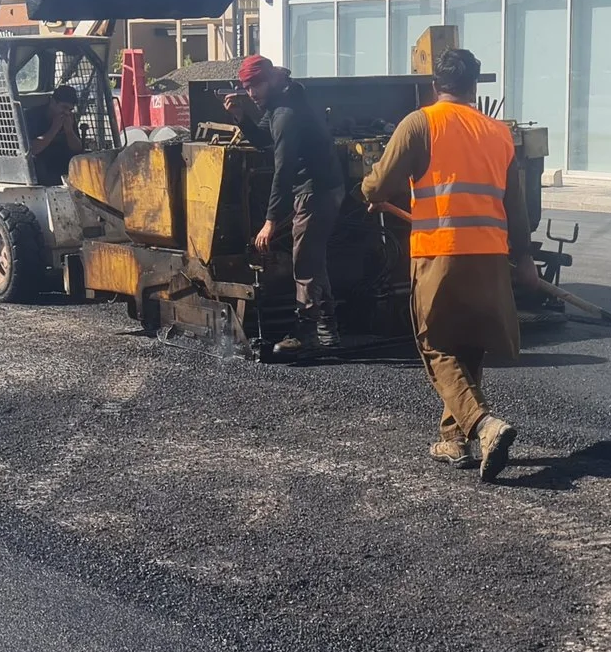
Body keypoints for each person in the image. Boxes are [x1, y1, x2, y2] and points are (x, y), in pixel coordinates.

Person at [360, 46, 538, 480]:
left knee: (436, 343)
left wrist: (369, 188)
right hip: (491, 256)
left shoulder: (420, 123)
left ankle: (483, 425)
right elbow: (516, 207)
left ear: (434, 84)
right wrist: (526, 258)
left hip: (441, 252)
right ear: (475, 86)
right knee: (468, 343)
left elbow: (378, 183)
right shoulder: (498, 133)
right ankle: (453, 439)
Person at [230, 56, 345, 355]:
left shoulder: (285, 113)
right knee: (314, 257)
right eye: (246, 87)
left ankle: (306, 335)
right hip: (324, 187)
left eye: (255, 85)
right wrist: (241, 117)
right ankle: (328, 331)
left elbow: (282, 170)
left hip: (314, 191)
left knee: (305, 261)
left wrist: (270, 220)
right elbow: (264, 141)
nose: (251, 92)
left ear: (268, 80)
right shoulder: (283, 99)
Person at [25, 83, 86, 186]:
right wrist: (54, 129)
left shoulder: (69, 118)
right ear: (53, 102)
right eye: (63, 107)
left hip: (63, 161)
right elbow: (31, 150)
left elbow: (77, 149)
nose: (66, 112)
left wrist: (69, 131)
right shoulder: (32, 116)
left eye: (70, 109)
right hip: (40, 164)